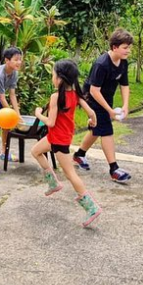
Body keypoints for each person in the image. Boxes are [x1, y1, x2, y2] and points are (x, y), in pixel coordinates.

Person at [31, 59, 101, 227]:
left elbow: (50, 123)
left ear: (60, 78)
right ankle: (53, 182)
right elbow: (91, 112)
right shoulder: (75, 95)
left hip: (58, 140)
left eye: (53, 74)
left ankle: (92, 207)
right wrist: (93, 121)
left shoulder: (56, 97)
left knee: (70, 174)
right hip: (57, 137)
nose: (52, 77)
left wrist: (38, 113)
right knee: (35, 151)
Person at [72, 29, 134, 184]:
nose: (128, 51)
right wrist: (110, 111)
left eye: (129, 47)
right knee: (106, 130)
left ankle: (79, 154)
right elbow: (94, 90)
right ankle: (114, 169)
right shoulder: (102, 64)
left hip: (106, 98)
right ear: (114, 47)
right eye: (125, 48)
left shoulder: (123, 62)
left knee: (97, 129)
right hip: (91, 98)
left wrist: (126, 105)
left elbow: (124, 85)